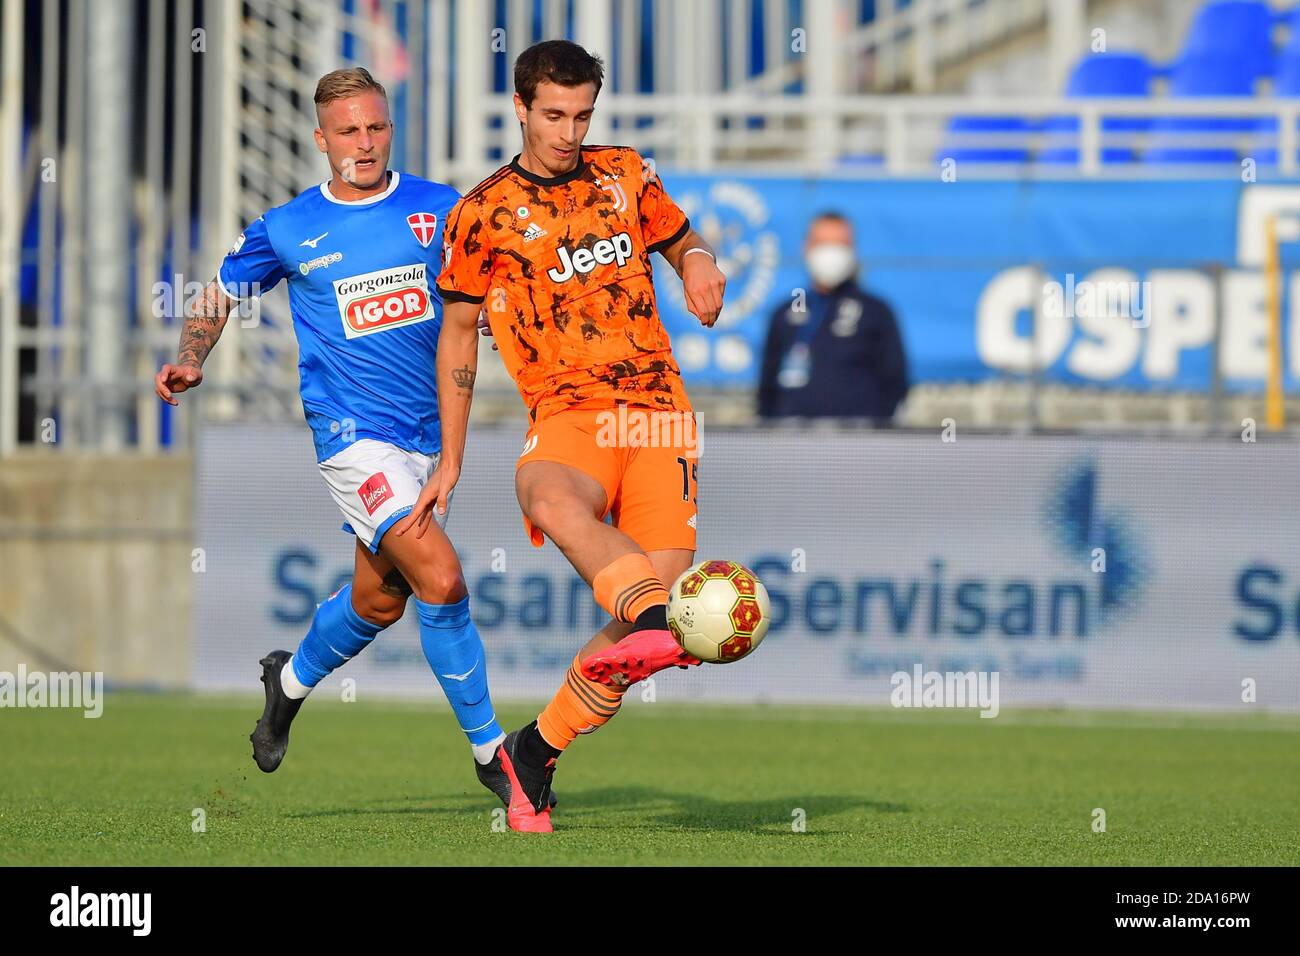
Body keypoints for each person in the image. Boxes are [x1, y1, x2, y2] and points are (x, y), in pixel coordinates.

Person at [153, 67, 529, 810]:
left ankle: (286, 684)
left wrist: (494, 313)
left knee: (380, 601)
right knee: (444, 582)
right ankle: (496, 754)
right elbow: (220, 290)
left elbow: (485, 297)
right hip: (353, 437)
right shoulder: (289, 227)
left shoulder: (440, 208)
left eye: (377, 127)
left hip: (429, 434)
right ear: (321, 139)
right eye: (349, 131)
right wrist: (192, 356)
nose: (365, 143)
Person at [398, 39, 727, 833]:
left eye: (581, 115)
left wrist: (697, 261)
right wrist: (451, 458)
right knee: (550, 496)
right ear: (521, 108)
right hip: (570, 413)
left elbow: (678, 236)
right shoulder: (481, 214)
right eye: (553, 115)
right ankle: (655, 622)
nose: (569, 131)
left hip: (660, 415)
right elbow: (458, 338)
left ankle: (534, 752)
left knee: (649, 626)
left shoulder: (626, 173)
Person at [757, 212, 908, 421]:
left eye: (839, 244)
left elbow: (895, 383)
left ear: (853, 250)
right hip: (792, 439)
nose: (830, 253)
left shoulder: (876, 312)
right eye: (823, 243)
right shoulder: (784, 313)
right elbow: (766, 391)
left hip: (859, 441)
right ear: (806, 247)